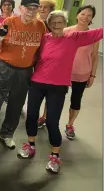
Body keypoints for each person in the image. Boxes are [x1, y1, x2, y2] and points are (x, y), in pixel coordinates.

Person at [17, 10, 102, 174]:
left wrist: (92, 74)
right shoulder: (44, 39)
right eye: (53, 22)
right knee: (32, 116)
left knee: (51, 122)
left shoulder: (74, 37)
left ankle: (55, 155)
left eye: (60, 22)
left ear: (65, 23)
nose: (56, 25)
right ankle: (31, 145)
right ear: (49, 24)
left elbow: (99, 32)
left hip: (58, 86)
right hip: (37, 82)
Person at [0, 0, 47, 150]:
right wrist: (0, 36)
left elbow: (41, 50)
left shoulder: (40, 26)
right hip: (5, 67)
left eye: (35, 8)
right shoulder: (9, 22)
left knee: (16, 104)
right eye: (28, 8)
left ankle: (7, 134)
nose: (31, 12)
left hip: (25, 70)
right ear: (21, 8)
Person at [38, 5, 100, 138]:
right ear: (77, 15)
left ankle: (70, 125)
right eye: (83, 14)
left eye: (89, 15)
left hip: (82, 74)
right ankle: (44, 117)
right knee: (53, 97)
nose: (85, 17)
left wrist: (92, 75)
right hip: (61, 72)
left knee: (76, 100)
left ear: (92, 19)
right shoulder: (65, 31)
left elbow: (95, 57)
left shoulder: (93, 36)